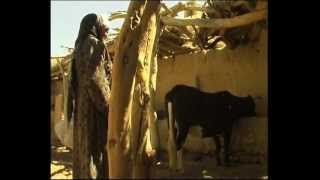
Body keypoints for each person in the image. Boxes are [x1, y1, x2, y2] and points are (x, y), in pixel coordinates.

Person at [67, 13, 112, 179]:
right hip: (94, 112)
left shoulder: (78, 47)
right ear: (96, 27)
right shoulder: (94, 45)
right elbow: (95, 80)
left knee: (84, 153)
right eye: (104, 29)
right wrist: (109, 107)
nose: (107, 33)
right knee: (95, 155)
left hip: (82, 110)